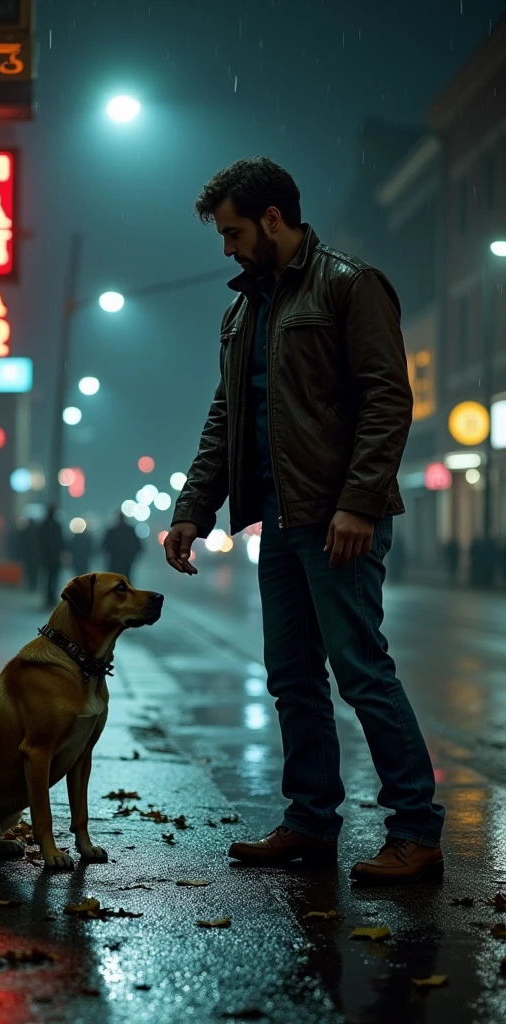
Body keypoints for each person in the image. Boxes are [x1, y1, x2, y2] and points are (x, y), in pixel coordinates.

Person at [164, 158, 444, 884]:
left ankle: (416, 831)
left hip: (336, 519)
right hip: (279, 524)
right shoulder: (243, 310)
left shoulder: (349, 285)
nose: (226, 249)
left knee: (362, 673)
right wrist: (193, 508)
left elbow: (387, 399)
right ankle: (311, 821)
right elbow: (227, 416)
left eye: (233, 232)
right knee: (291, 675)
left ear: (274, 219)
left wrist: (357, 502)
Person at [102, 512, 142, 582]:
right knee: (124, 578)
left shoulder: (112, 531)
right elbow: (138, 545)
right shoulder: (130, 530)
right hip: (124, 559)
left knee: (115, 578)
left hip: (116, 559)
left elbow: (104, 545)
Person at [40, 505, 64, 609]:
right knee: (54, 577)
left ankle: (48, 597)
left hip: (47, 556)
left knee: (48, 577)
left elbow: (40, 541)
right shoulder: (57, 525)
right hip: (55, 556)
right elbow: (60, 541)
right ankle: (52, 597)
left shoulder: (44, 525)